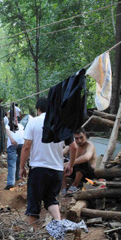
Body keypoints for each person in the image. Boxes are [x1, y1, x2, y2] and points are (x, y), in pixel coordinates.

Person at [19, 97, 77, 228]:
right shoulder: (61, 123)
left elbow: (26, 146)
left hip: (39, 169)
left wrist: (22, 167)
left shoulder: (33, 122)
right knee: (51, 199)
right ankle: (59, 225)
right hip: (56, 170)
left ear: (38, 109)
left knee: (34, 202)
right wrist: (70, 165)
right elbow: (74, 147)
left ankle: (32, 237)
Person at [61, 128, 97, 195]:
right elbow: (61, 153)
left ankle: (75, 185)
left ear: (85, 136)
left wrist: (69, 163)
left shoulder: (89, 145)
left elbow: (86, 157)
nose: (79, 140)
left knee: (81, 161)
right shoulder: (72, 144)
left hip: (87, 173)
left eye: (81, 137)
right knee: (61, 161)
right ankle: (64, 187)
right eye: (76, 138)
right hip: (74, 172)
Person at [5, 117, 24, 190]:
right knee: (19, 161)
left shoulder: (8, 125)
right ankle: (17, 177)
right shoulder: (21, 125)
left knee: (12, 163)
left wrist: (12, 139)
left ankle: (10, 183)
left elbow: (7, 131)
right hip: (22, 143)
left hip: (12, 144)